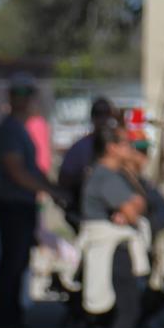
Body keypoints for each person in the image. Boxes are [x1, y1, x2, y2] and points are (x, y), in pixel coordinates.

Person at [80, 120, 151, 328]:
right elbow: (134, 210)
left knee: (111, 308)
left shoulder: (116, 175)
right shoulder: (106, 176)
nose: (129, 148)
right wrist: (131, 207)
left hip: (112, 248)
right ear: (110, 147)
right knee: (124, 308)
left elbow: (139, 201)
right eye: (124, 143)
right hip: (111, 250)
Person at [0, 76, 66, 328]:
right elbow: (17, 171)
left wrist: (53, 187)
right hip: (13, 204)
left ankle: (13, 313)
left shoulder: (23, 129)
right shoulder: (10, 129)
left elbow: (34, 170)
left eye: (28, 94)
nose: (24, 100)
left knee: (21, 261)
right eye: (19, 94)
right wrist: (48, 190)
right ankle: (6, 318)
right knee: (12, 262)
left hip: (25, 204)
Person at [58, 96, 114, 232]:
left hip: (112, 204)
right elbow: (64, 179)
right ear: (92, 117)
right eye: (98, 114)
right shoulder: (80, 147)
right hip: (86, 207)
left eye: (107, 114)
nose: (103, 119)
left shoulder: (117, 146)